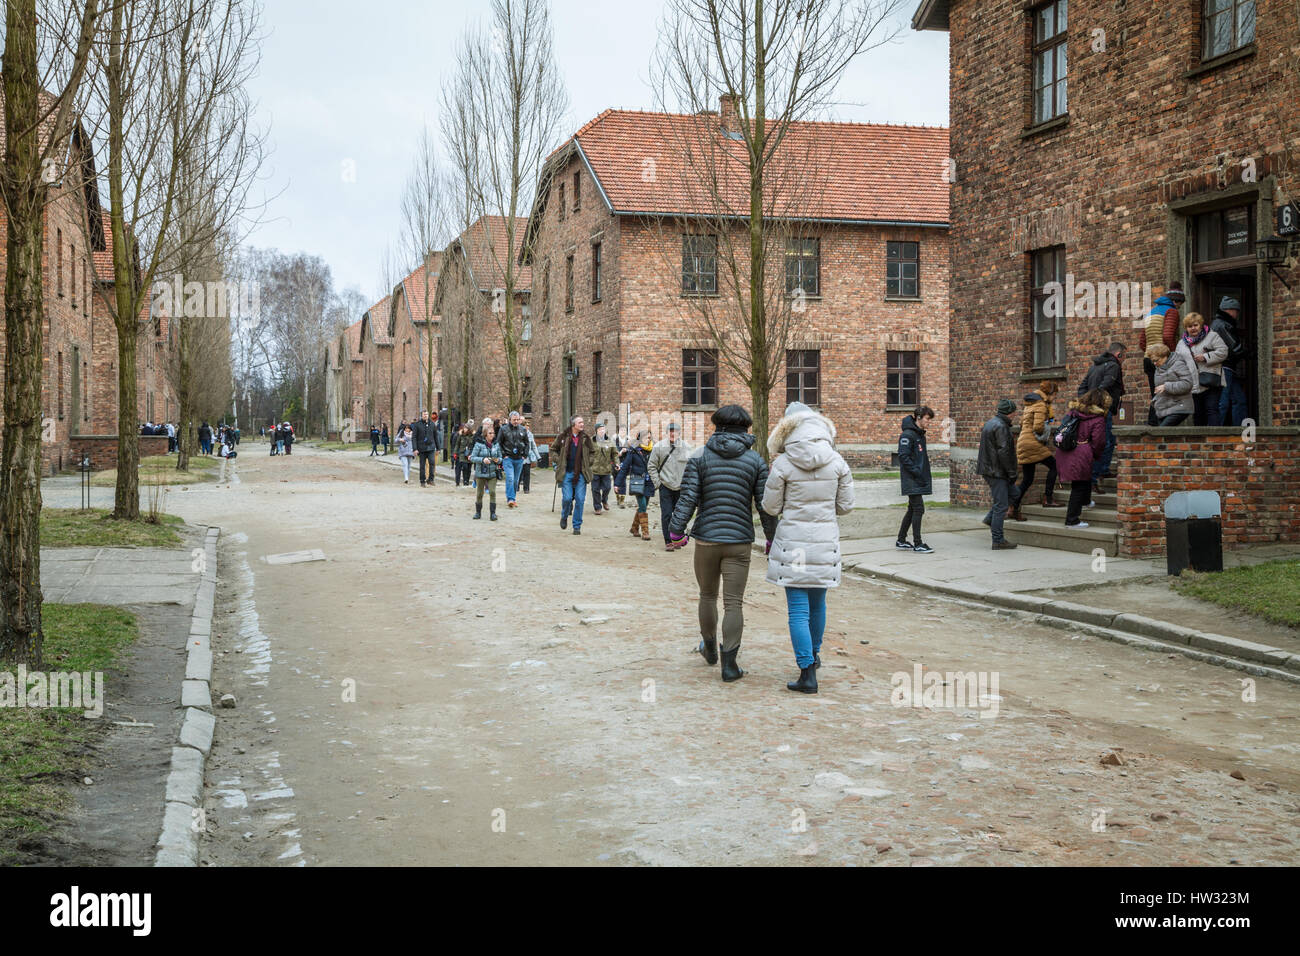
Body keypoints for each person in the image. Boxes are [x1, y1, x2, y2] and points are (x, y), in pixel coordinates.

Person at [668, 405, 776, 683]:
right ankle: (729, 665)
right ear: (746, 429)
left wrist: (675, 530)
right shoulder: (755, 461)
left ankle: (708, 648)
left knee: (707, 595)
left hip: (706, 539)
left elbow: (687, 498)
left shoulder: (700, 457)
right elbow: (765, 506)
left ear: (717, 427)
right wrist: (772, 538)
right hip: (739, 540)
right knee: (733, 603)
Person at [763, 402, 854, 694]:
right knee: (818, 604)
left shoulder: (783, 465)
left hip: (794, 542)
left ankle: (806, 672)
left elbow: (771, 506)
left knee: (798, 609)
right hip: (825, 541)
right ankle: (814, 657)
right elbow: (845, 507)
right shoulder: (838, 462)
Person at [1055, 390, 1110, 529]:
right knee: (1078, 485)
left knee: (1083, 478)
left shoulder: (1073, 412)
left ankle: (1085, 501)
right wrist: (1094, 454)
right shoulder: (1098, 419)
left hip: (1065, 450)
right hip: (1081, 451)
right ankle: (1072, 520)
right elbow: (1099, 442)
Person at [1077, 341, 1125, 494]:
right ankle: (1094, 478)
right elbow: (1105, 386)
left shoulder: (1095, 366)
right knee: (1103, 443)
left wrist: (1086, 402)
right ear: (1119, 354)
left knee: (1106, 441)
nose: (1124, 360)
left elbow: (1082, 388)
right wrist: (1098, 402)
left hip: (1093, 409)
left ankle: (1103, 470)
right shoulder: (1113, 366)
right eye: (1124, 356)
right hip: (1103, 410)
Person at [1009, 384, 1060, 520]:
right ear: (1049, 393)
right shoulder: (1040, 405)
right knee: (1055, 466)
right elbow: (1038, 427)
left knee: (1027, 479)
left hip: (1023, 442)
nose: (1055, 398)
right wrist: (1046, 427)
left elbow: (1022, 424)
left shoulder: (1030, 404)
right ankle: (1048, 498)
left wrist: (1047, 418)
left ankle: (1012, 507)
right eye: (1055, 395)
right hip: (1033, 443)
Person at [977, 398, 1020, 550]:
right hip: (997, 471)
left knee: (1014, 493)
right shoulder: (1001, 426)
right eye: (1014, 412)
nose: (1015, 415)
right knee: (1001, 505)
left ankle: (990, 519)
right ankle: (998, 540)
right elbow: (1004, 452)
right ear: (1010, 412)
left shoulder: (992, 423)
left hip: (992, 469)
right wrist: (1011, 472)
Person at [1141, 282, 1184, 425]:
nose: (1179, 307)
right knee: (1165, 392)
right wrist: (1172, 356)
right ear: (1175, 301)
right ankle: (1158, 424)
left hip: (1148, 358)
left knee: (1156, 391)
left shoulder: (1151, 312)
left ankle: (1153, 423)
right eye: (1179, 304)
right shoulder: (1171, 312)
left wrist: (1151, 353)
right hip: (1162, 359)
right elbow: (1167, 336)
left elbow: (1142, 341)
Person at [1175, 312, 1228, 427]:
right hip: (1192, 384)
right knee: (1198, 413)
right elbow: (1178, 362)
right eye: (1190, 326)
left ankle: (1215, 440)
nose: (1193, 328)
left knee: (1212, 410)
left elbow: (1223, 352)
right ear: (1186, 328)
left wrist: (1205, 357)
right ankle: (1200, 442)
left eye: (1195, 325)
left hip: (1210, 381)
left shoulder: (1212, 336)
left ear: (1201, 325)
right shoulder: (1181, 344)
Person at [648, 423, 694, 551]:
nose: (673, 434)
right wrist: (658, 483)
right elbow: (651, 466)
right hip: (666, 486)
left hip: (681, 487)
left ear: (680, 433)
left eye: (676, 432)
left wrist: (688, 484)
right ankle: (668, 541)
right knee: (667, 514)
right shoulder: (658, 447)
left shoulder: (687, 447)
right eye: (671, 431)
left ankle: (677, 539)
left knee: (680, 515)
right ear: (667, 433)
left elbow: (691, 468)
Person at [896, 405, 936, 552]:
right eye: (927, 419)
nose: (929, 422)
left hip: (917, 477)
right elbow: (903, 456)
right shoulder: (908, 435)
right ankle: (918, 544)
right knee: (918, 509)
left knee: (912, 509)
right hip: (912, 478)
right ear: (918, 417)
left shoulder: (919, 435)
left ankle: (901, 540)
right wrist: (917, 472)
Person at [551, 416, 595, 535]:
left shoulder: (586, 438)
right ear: (573, 424)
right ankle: (564, 516)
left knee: (580, 500)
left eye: (583, 422)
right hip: (566, 473)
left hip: (581, 474)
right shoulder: (563, 437)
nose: (582, 424)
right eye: (580, 422)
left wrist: (588, 462)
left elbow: (592, 453)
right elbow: (553, 450)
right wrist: (558, 460)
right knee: (567, 498)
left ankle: (577, 526)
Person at [1211, 297, 1249, 427]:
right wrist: (1248, 354)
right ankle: (1215, 431)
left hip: (1228, 367)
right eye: (1236, 311)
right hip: (1224, 367)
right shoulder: (1221, 324)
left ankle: (1241, 429)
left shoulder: (1223, 323)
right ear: (1230, 310)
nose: (1237, 314)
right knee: (1223, 401)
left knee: (1239, 400)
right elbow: (1233, 346)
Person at [614, 430, 654, 541]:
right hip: (637, 482)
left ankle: (634, 528)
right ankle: (645, 532)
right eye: (646, 437)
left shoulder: (653, 450)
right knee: (642, 506)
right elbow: (625, 467)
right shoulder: (634, 451)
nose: (648, 439)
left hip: (649, 482)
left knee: (644, 505)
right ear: (640, 439)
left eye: (650, 437)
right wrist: (617, 483)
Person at [1148, 343, 1196, 426]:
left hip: (1179, 406)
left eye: (1156, 360)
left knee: (1162, 433)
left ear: (1165, 356)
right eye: (1153, 361)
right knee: (1163, 437)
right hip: (1164, 408)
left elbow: (1187, 384)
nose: (1155, 363)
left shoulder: (1178, 364)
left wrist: (1166, 386)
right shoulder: (1158, 368)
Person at [469, 418, 502, 520]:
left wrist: (498, 460)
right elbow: (473, 457)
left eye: (493, 433)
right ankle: (478, 512)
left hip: (492, 472)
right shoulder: (478, 444)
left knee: (492, 492)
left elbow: (501, 457)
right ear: (485, 434)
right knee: (479, 493)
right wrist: (483, 459)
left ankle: (493, 513)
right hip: (480, 472)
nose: (492, 435)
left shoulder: (496, 445)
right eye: (490, 433)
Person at [497, 411, 531, 507]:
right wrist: (503, 455)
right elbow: (498, 443)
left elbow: (527, 443)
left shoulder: (523, 429)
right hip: (508, 458)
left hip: (519, 458)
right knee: (510, 478)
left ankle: (513, 498)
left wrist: (525, 454)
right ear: (510, 419)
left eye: (517, 419)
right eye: (514, 420)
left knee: (516, 480)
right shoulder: (503, 429)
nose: (516, 421)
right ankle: (510, 499)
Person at [588, 424, 617, 515]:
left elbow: (615, 454)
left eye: (603, 429)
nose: (602, 431)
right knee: (595, 489)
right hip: (594, 469)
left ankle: (604, 500)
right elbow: (586, 453)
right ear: (596, 431)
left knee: (607, 487)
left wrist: (617, 463)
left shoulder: (610, 441)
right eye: (600, 429)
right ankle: (597, 507)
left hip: (606, 469)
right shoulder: (591, 441)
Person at [411, 410, 442, 487]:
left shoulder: (432, 424)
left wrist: (438, 448)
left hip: (431, 447)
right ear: (422, 415)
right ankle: (422, 481)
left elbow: (436, 436)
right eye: (424, 414)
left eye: (427, 414)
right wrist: (415, 449)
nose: (426, 416)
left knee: (432, 463)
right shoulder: (417, 425)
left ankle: (431, 479)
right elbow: (414, 437)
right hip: (421, 448)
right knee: (422, 466)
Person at [522, 419, 539, 494]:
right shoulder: (519, 434)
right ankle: (516, 487)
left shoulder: (530, 434)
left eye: (528, 426)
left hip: (527, 457)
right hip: (519, 456)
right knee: (519, 473)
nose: (527, 427)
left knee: (527, 473)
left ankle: (526, 488)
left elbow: (533, 446)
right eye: (526, 425)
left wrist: (538, 456)